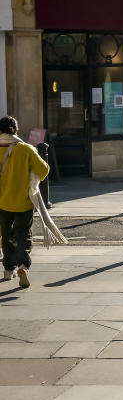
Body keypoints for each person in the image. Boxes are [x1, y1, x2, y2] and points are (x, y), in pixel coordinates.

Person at [0, 116, 50, 288]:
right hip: (23, 202)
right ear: (16, 130)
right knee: (23, 236)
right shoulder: (26, 149)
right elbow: (44, 170)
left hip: (2, 202)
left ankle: (8, 270)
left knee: (6, 235)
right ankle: (23, 266)